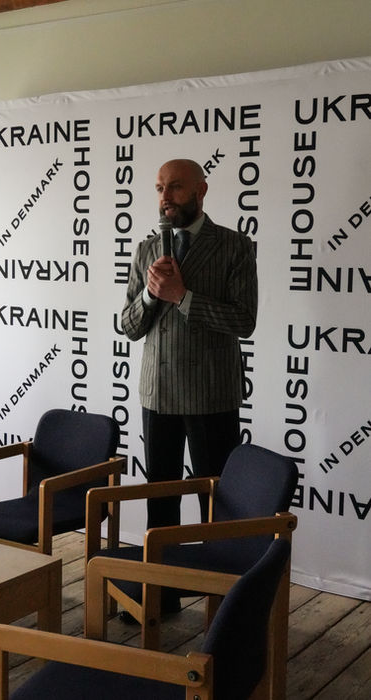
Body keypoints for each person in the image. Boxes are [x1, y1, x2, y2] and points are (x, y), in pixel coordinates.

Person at [122, 158, 258, 531]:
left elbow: (244, 321)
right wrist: (151, 294)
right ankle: (160, 571)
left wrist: (183, 297)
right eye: (159, 188)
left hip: (211, 394)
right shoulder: (147, 249)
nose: (165, 196)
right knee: (160, 500)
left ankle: (218, 568)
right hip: (159, 393)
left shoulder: (234, 246)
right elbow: (129, 326)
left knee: (216, 502)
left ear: (201, 190)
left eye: (176, 186)